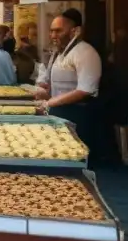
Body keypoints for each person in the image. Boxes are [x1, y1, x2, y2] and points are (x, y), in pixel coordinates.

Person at [35, 9, 102, 149]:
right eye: (51, 31)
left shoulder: (85, 52)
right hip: (59, 111)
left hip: (79, 113)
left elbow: (85, 90)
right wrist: (44, 91)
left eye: (58, 31)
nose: (53, 35)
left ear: (75, 31)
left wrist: (52, 102)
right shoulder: (58, 53)